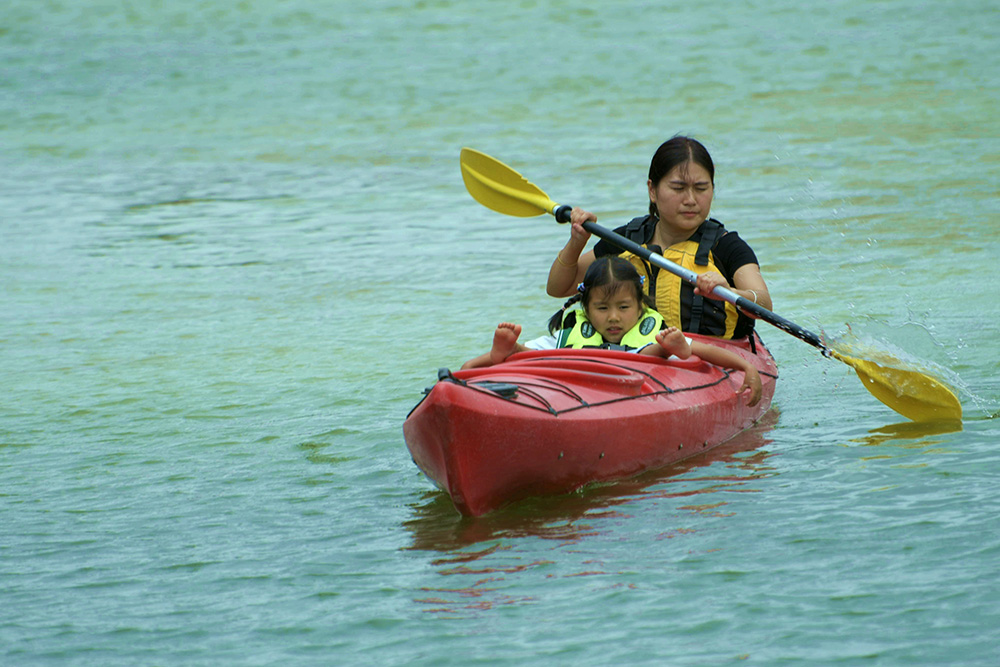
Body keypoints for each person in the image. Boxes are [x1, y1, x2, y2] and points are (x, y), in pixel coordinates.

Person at [546, 136, 771, 340]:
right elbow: (558, 288)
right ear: (652, 190)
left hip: (709, 360)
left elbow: (763, 303)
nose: (691, 200)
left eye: (701, 188)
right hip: (641, 355)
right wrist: (577, 241)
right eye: (678, 188)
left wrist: (729, 293)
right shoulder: (626, 240)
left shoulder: (727, 246)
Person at [462, 257, 761, 406]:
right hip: (571, 371)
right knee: (538, 353)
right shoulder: (573, 333)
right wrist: (471, 369)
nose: (614, 318)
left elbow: (703, 350)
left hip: (642, 361)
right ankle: (512, 352)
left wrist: (745, 365)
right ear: (587, 310)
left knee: (659, 347)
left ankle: (668, 350)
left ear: (640, 306)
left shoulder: (652, 330)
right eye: (603, 309)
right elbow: (472, 367)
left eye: (623, 307)